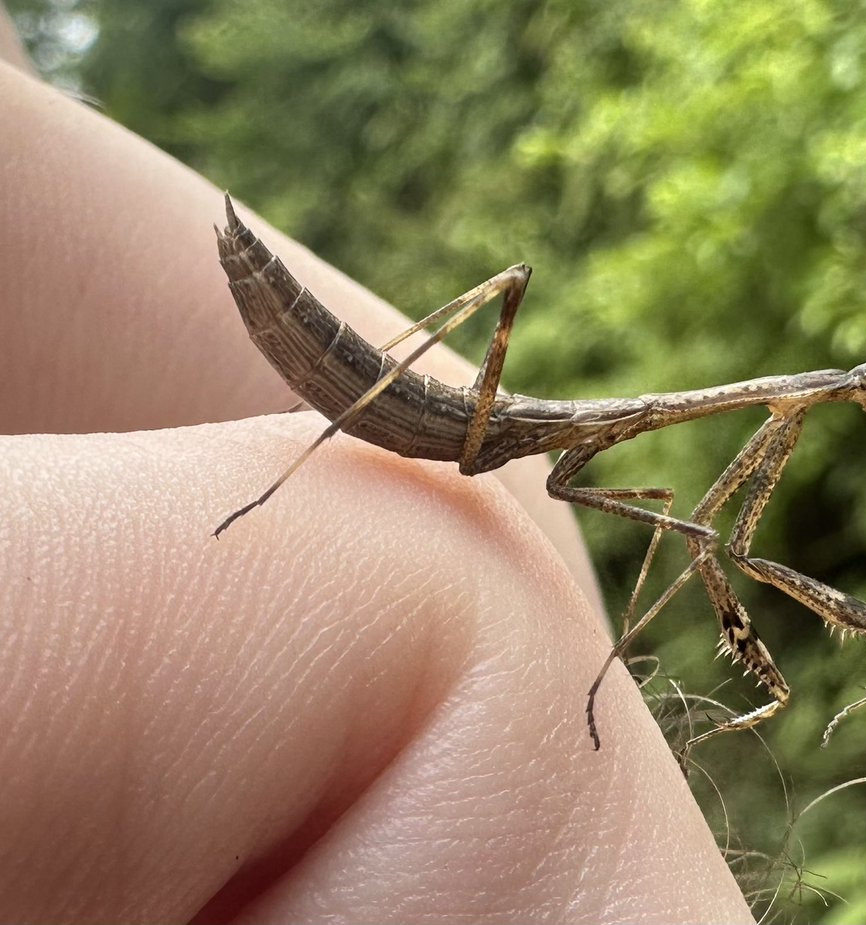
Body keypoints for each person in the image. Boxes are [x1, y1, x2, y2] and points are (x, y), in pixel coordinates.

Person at [0, 9, 753, 920]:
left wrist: (598, 672)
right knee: (519, 299)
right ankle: (311, 445)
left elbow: (566, 495)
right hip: (428, 416)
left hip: (458, 437)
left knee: (665, 509)